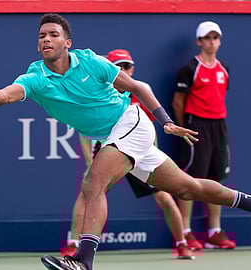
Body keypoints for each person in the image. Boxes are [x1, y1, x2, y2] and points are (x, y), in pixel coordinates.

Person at [0, 13, 251, 270]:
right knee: (187, 188)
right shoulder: (36, 78)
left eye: (54, 34)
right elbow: (0, 97)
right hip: (113, 135)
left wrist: (167, 122)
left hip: (131, 122)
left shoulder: (92, 62)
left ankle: (83, 260)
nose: (46, 39)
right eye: (41, 35)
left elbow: (139, 88)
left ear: (67, 42)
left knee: (93, 183)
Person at [61, 49, 194, 260]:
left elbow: (150, 126)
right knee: (87, 193)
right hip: (108, 153)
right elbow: (84, 134)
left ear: (132, 69)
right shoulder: (98, 91)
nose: (123, 70)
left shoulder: (142, 91)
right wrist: (89, 161)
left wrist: (152, 154)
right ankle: (73, 244)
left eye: (127, 66)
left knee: (165, 198)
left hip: (138, 152)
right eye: (118, 66)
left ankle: (182, 243)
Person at [172, 21, 235, 250]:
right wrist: (183, 128)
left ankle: (214, 232)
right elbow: (178, 102)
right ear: (199, 41)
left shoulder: (224, 68)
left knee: (215, 178)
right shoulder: (190, 69)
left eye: (215, 38)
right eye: (207, 38)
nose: (212, 42)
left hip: (219, 126)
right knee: (190, 181)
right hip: (195, 125)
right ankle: (186, 232)